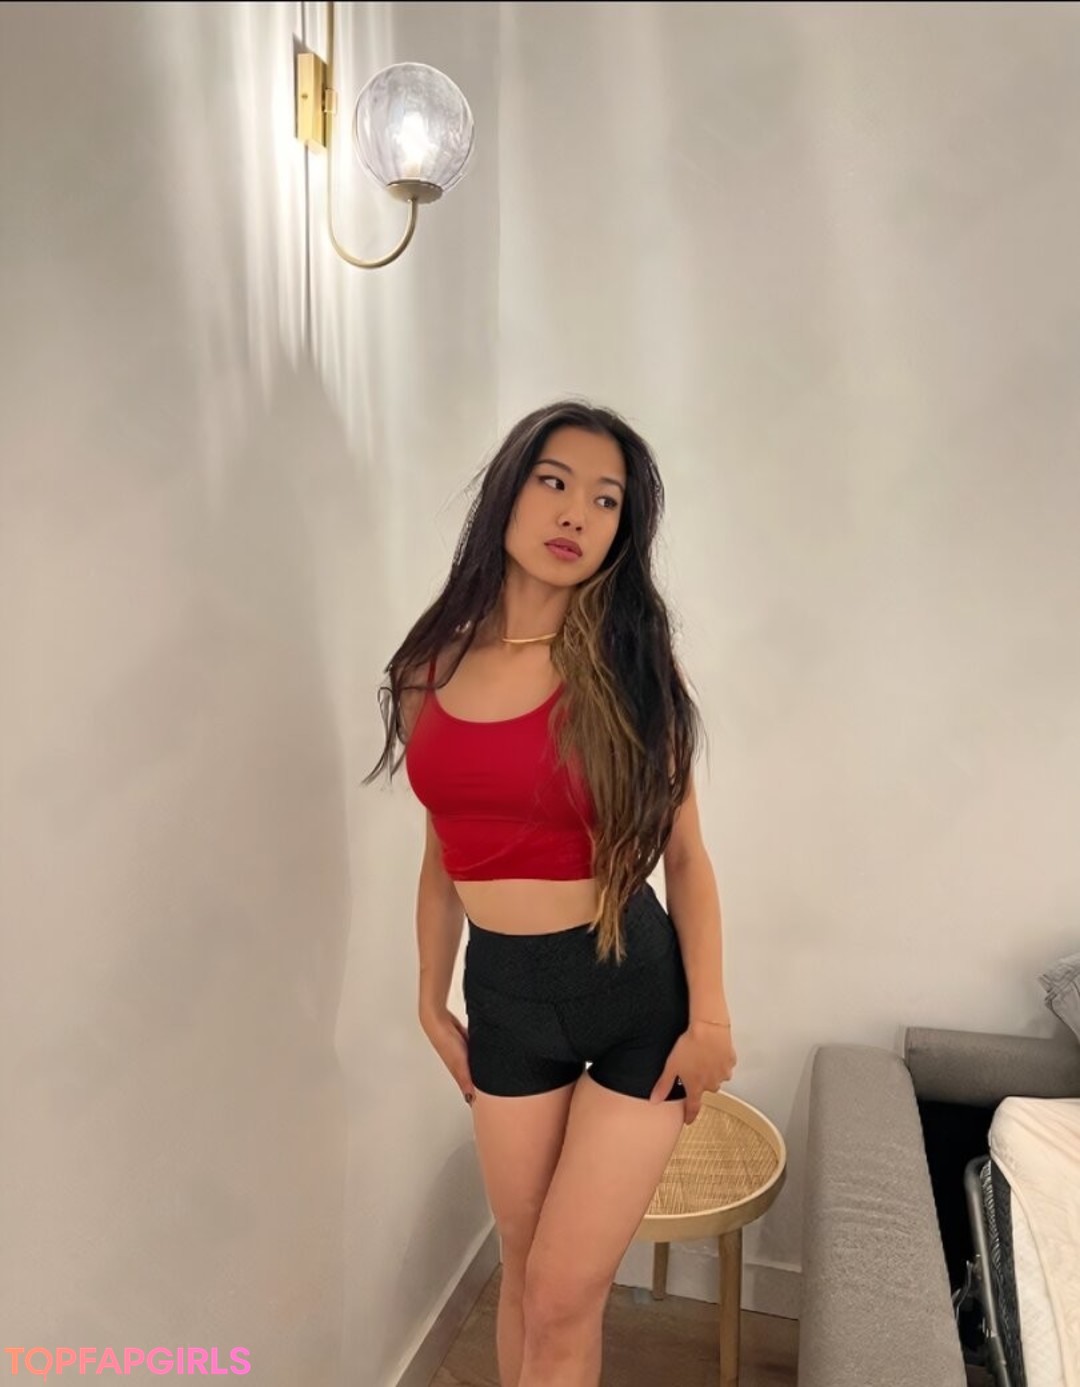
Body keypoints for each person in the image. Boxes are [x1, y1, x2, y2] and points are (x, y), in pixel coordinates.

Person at [364, 400, 735, 1387]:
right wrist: (428, 996)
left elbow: (686, 857)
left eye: (606, 500)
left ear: (623, 530)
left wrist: (710, 1018)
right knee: (527, 1278)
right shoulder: (428, 668)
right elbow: (443, 851)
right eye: (555, 481)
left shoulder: (632, 666)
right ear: (510, 491)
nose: (577, 512)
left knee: (567, 1292)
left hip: (632, 990)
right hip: (507, 997)